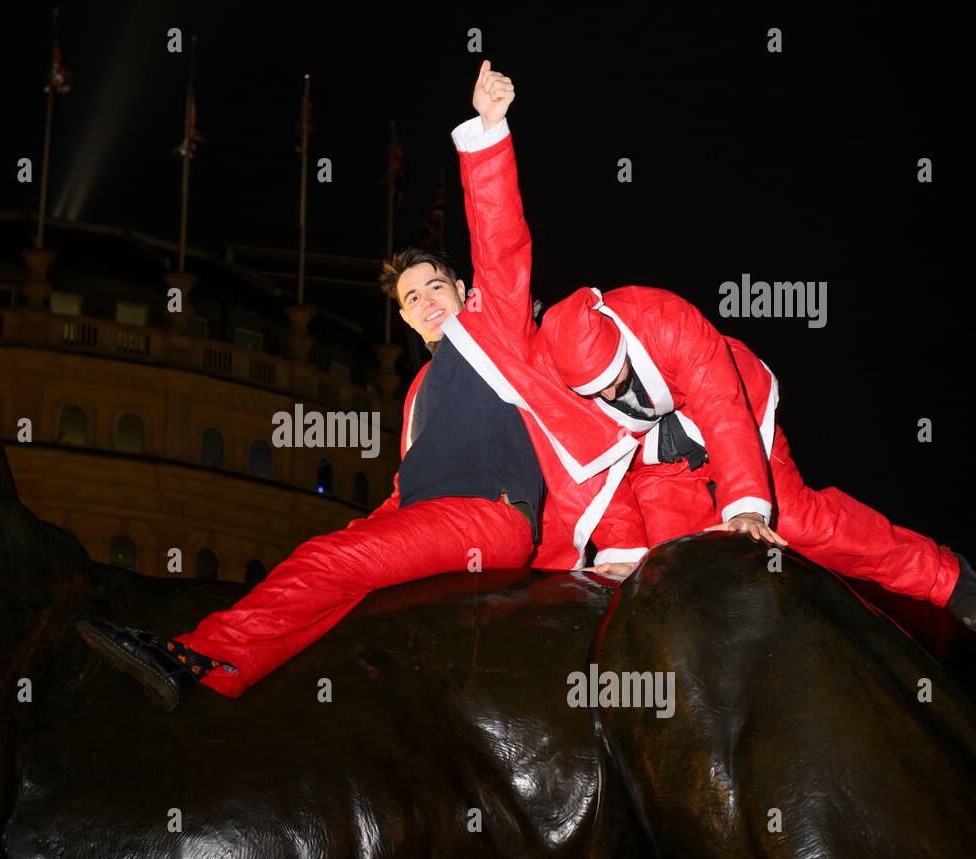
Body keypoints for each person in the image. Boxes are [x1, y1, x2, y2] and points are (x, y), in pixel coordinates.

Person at [78, 61, 648, 710]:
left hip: (489, 517)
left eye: (437, 285)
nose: (428, 299)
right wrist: (361, 529)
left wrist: (489, 132)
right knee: (332, 563)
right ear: (404, 318)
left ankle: (202, 657)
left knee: (329, 563)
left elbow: (502, 244)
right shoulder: (418, 393)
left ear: (463, 292)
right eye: (413, 296)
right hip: (427, 517)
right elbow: (407, 490)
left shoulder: (496, 329)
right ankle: (235, 675)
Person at [539, 279, 976, 631]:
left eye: (618, 379)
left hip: (731, 410)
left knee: (796, 522)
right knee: (670, 566)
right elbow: (593, 471)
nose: (614, 395)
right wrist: (624, 549)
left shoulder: (666, 319)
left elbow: (722, 408)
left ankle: (948, 578)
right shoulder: (553, 380)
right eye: (599, 392)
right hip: (657, 462)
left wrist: (748, 506)